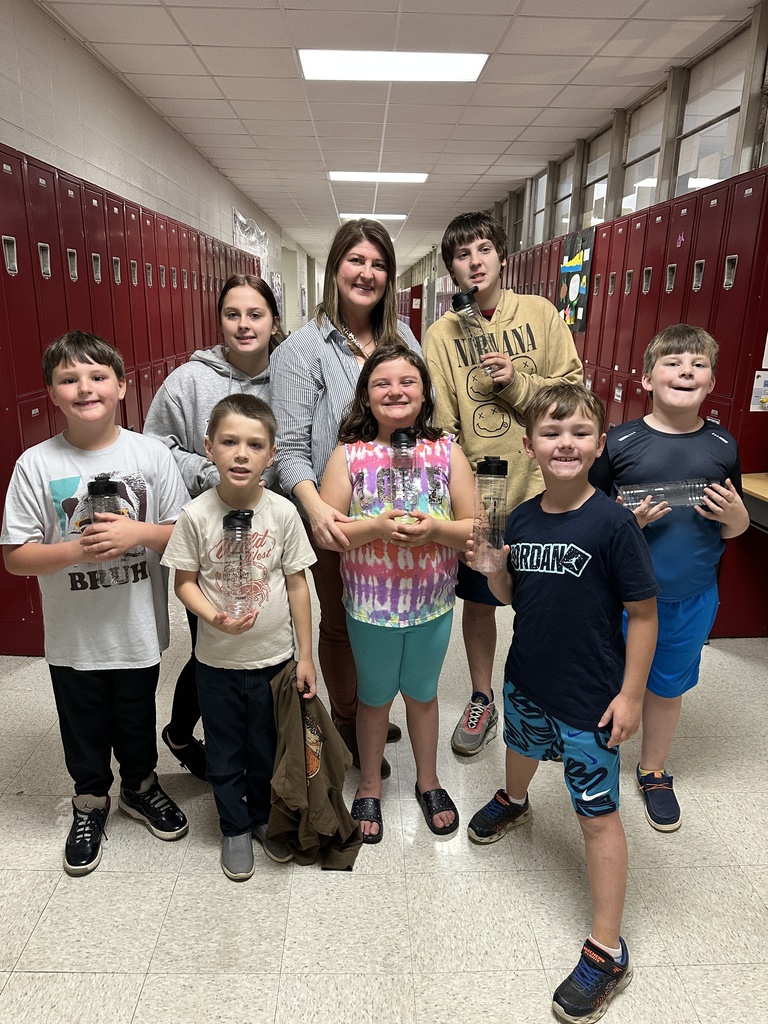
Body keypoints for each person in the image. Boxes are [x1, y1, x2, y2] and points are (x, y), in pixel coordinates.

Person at [466, 382, 658, 1023]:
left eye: (579, 433)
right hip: (527, 681)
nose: (565, 443)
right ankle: (515, 801)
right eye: (551, 433)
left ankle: (608, 949)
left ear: (599, 444)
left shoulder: (613, 524)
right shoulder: (521, 517)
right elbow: (518, 596)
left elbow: (644, 612)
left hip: (590, 701)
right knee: (518, 750)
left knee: (597, 817)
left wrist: (631, 695)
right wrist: (495, 568)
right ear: (530, 445)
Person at [1, 331, 190, 876]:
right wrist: (73, 548)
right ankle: (90, 802)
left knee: (135, 714)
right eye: (69, 379)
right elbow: (16, 555)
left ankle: (140, 786)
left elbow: (180, 534)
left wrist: (136, 535)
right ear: (52, 394)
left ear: (122, 386)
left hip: (136, 628)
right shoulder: (34, 464)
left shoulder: (150, 454)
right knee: (81, 722)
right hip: (73, 637)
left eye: (97, 375)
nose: (85, 387)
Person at [423, 212, 583, 758]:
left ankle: (551, 697)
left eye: (483, 250)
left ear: (501, 256)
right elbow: (441, 423)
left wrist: (518, 383)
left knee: (552, 599)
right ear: (452, 270)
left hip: (546, 487)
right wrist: (456, 491)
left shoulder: (539, 314)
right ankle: (482, 697)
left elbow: (572, 394)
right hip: (483, 494)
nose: (475, 262)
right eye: (462, 255)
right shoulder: (441, 335)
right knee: (481, 600)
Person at [271, 219, 419, 776]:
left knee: (381, 621)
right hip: (334, 514)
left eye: (378, 264)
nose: (367, 272)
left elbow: (417, 413)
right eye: (356, 261)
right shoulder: (304, 349)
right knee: (340, 624)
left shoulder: (403, 336)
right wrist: (316, 512)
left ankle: (371, 707)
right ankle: (348, 716)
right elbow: (287, 450)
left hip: (400, 508)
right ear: (336, 269)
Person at [590, 325, 749, 832]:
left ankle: (653, 769)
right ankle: (598, 760)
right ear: (645, 378)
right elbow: (592, 519)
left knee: (667, 686)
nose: (685, 370)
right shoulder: (620, 441)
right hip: (621, 597)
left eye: (697, 364)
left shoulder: (724, 444)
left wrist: (739, 519)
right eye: (673, 362)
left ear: (712, 381)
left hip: (690, 596)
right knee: (606, 678)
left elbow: (732, 527)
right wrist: (625, 525)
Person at [319, 346, 474, 842]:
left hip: (432, 603)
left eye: (408, 381)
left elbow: (476, 527)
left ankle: (428, 781)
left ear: (424, 392)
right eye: (382, 383)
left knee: (423, 695)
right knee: (374, 697)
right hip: (370, 606)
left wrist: (435, 532)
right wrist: (376, 526)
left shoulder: (446, 451)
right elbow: (330, 530)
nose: (395, 391)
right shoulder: (349, 455)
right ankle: (369, 783)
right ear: (366, 395)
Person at [161, 393, 317, 881]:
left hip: (275, 661)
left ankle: (266, 819)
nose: (241, 454)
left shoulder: (284, 513)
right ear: (209, 447)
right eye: (229, 442)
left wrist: (306, 657)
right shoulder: (195, 516)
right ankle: (233, 825)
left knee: (267, 748)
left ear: (272, 455)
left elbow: (297, 584)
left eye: (254, 444)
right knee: (225, 749)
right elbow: (183, 581)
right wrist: (214, 616)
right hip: (217, 664)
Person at [144, 275, 285, 780]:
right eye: (232, 314)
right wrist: (209, 473)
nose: (244, 325)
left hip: (275, 530)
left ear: (274, 319)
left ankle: (260, 744)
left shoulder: (290, 376)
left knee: (272, 644)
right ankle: (182, 732)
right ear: (219, 319)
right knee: (215, 643)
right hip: (211, 541)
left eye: (255, 314)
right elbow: (154, 446)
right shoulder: (189, 380)